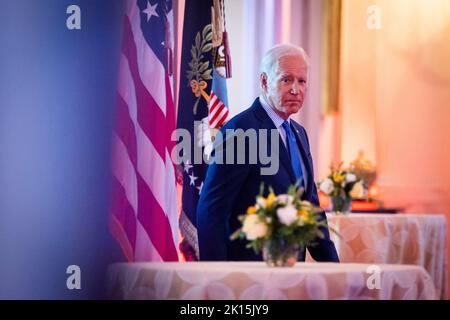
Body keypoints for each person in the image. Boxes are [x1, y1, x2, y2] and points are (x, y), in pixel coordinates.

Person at [196, 44, 339, 262]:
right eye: (286, 80)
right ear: (264, 81)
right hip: (249, 275)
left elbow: (311, 209)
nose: (296, 89)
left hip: (291, 274)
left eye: (302, 81)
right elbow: (212, 211)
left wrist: (334, 269)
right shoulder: (240, 131)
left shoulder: (299, 133)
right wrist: (217, 277)